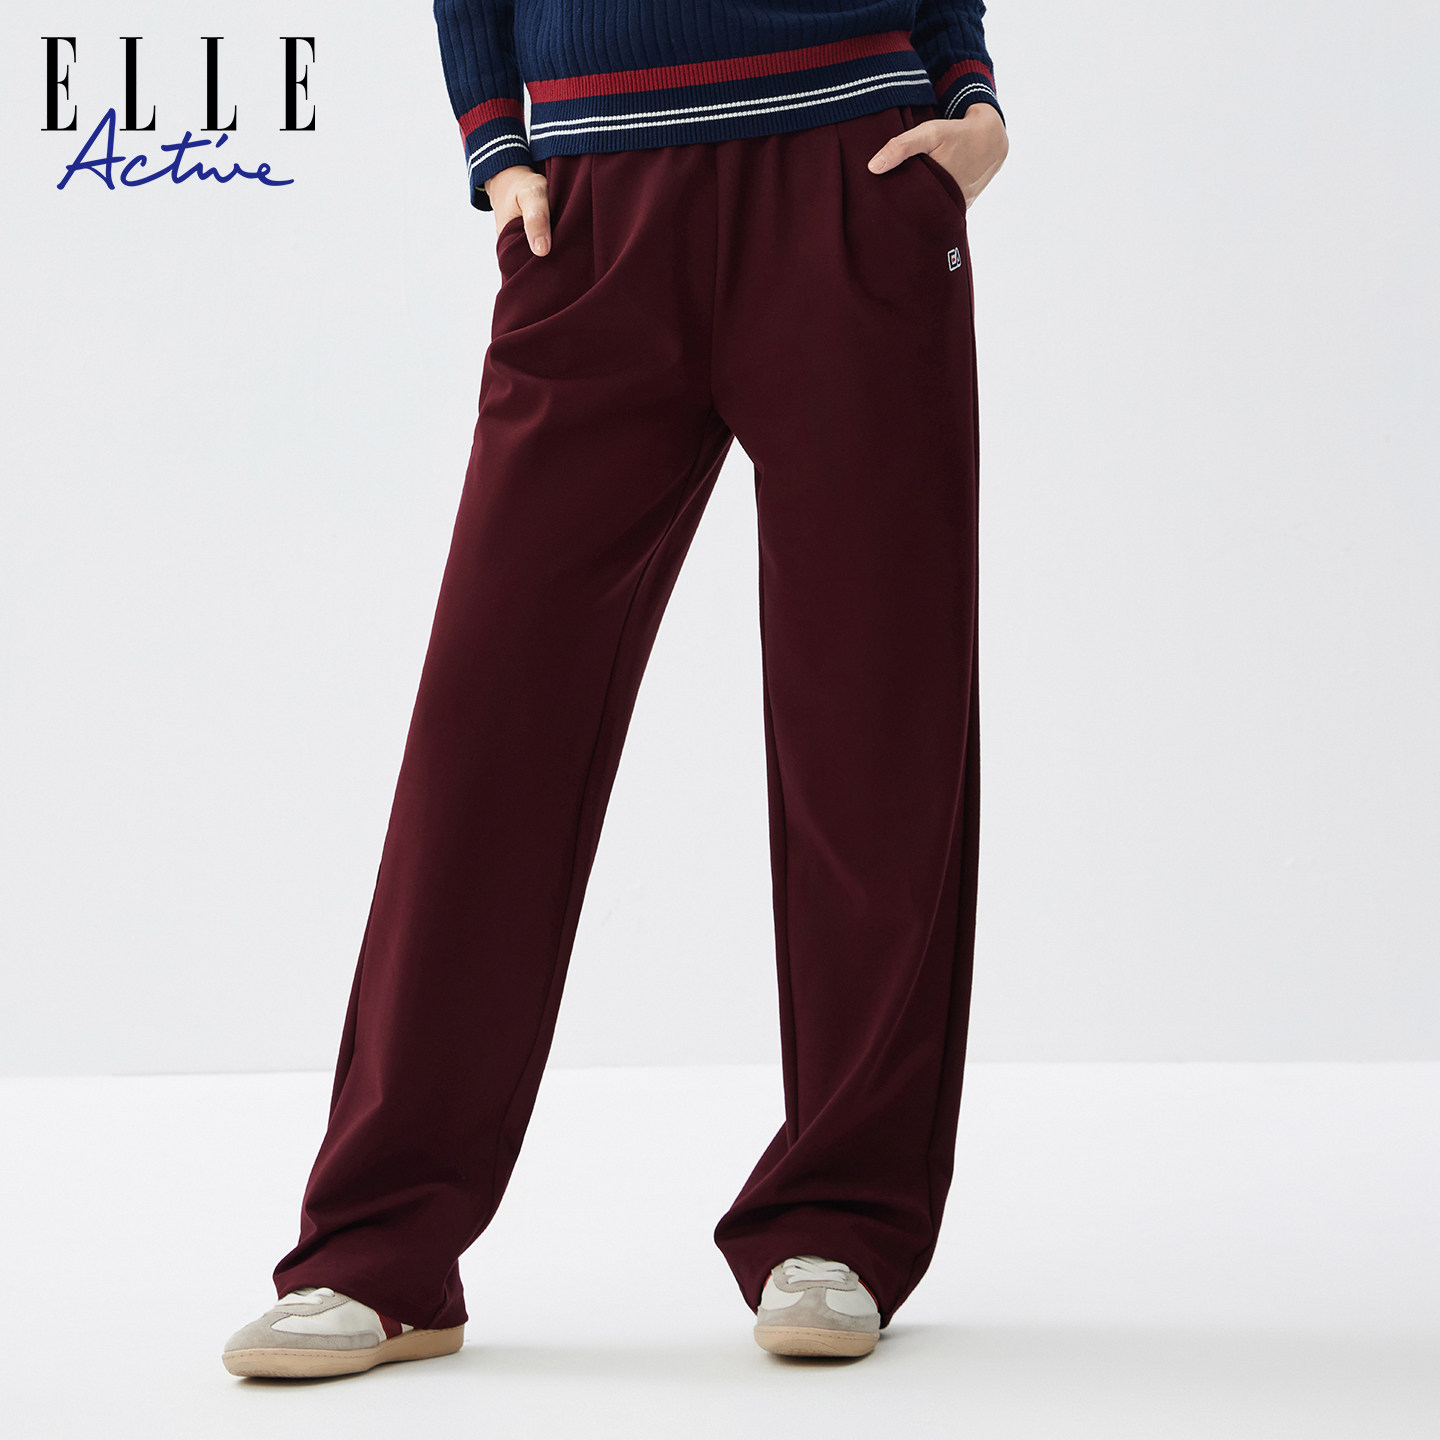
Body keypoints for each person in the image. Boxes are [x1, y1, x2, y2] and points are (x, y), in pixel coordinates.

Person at [222, 0, 1008, 1378]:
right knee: (486, 731)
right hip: (592, 205)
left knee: (873, 724)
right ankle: (381, 1248)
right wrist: (494, 138)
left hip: (852, 167)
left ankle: (844, 1218)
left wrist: (969, 90)